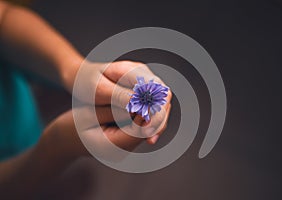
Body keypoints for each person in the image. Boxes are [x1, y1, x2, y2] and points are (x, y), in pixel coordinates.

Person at [0, 1, 172, 198]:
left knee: (28, 105)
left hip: (13, 94)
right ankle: (54, 188)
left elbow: (3, 16)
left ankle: (54, 95)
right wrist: (56, 146)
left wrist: (73, 69)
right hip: (17, 175)